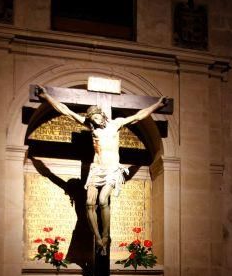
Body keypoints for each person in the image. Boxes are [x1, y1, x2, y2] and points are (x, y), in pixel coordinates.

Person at [36, 85, 168, 254]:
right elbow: (66, 111)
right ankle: (98, 239)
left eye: (97, 117)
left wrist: (157, 105)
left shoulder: (116, 124)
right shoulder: (91, 128)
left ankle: (105, 236)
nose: (95, 120)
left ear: (102, 115)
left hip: (112, 169)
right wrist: (47, 97)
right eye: (92, 119)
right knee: (90, 203)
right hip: (96, 170)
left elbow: (139, 115)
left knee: (103, 200)